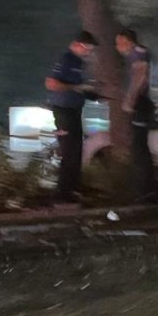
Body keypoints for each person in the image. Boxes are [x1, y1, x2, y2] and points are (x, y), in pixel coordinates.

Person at [45, 31, 97, 205]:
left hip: (74, 111)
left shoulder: (78, 61)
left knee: (76, 152)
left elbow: (77, 87)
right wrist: (76, 87)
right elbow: (51, 83)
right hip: (64, 111)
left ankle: (72, 191)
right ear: (77, 44)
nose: (88, 53)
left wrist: (87, 92)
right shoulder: (66, 59)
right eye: (87, 49)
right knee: (69, 152)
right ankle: (62, 194)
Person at [116, 28, 158, 204]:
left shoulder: (137, 53)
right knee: (140, 147)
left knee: (139, 148)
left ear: (127, 41)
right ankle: (148, 189)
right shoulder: (135, 55)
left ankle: (146, 191)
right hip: (142, 104)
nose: (117, 46)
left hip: (141, 104)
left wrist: (130, 100)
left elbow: (140, 77)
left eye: (119, 42)